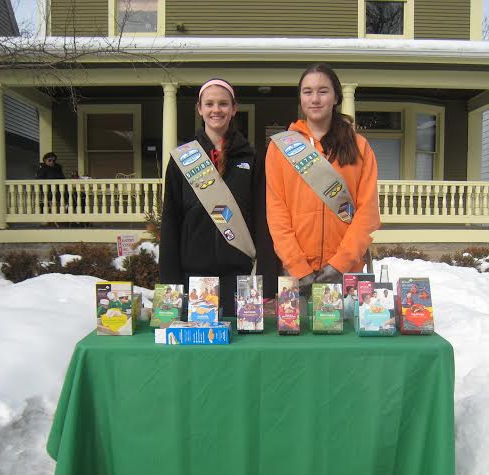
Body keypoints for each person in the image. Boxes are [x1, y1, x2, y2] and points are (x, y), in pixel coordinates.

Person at [266, 63, 380, 296]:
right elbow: (277, 213)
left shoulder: (359, 147)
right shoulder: (280, 148)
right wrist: (297, 266)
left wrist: (341, 263)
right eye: (307, 92)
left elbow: (367, 212)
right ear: (300, 98)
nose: (315, 99)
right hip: (297, 275)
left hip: (347, 273)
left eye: (323, 91)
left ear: (336, 97)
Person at [160, 78, 270, 316]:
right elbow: (170, 221)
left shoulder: (251, 159)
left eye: (223, 103)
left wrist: (266, 276)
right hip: (195, 280)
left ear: (233, 109)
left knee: (243, 351)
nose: (216, 109)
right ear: (200, 109)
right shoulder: (182, 160)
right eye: (209, 104)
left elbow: (263, 220)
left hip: (241, 280)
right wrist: (170, 281)